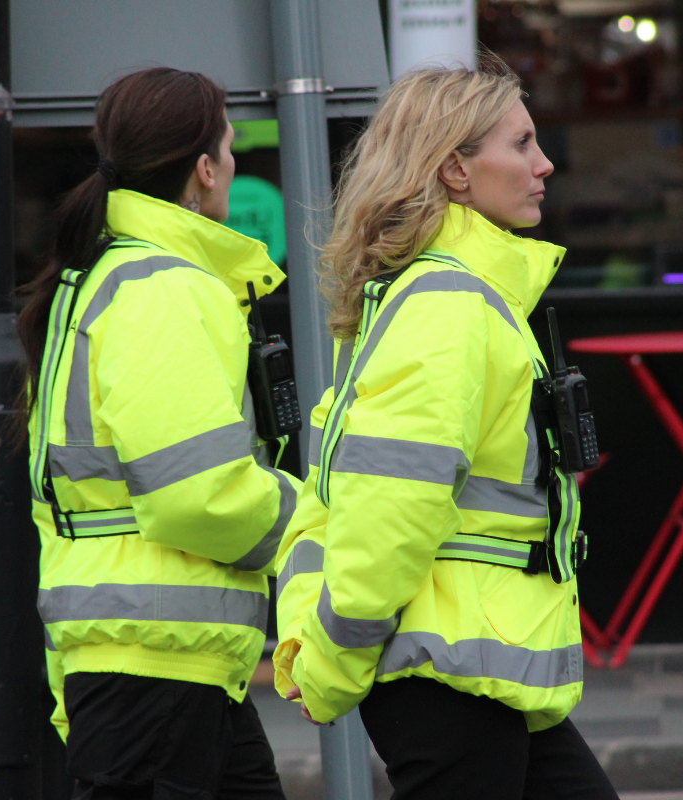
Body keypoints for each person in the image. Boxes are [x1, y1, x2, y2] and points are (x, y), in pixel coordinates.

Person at [272, 63, 619, 800]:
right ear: (456, 168)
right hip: (449, 676)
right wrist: (329, 660)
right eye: (521, 143)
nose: (544, 163)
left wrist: (317, 643)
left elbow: (330, 498)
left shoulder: (460, 298)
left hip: (481, 671)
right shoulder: (448, 307)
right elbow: (385, 514)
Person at [17, 67, 299, 799]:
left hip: (157, 654)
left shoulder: (111, 273)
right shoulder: (163, 287)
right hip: (157, 657)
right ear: (205, 171)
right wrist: (315, 518)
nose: (233, 167)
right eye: (230, 150)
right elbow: (196, 497)